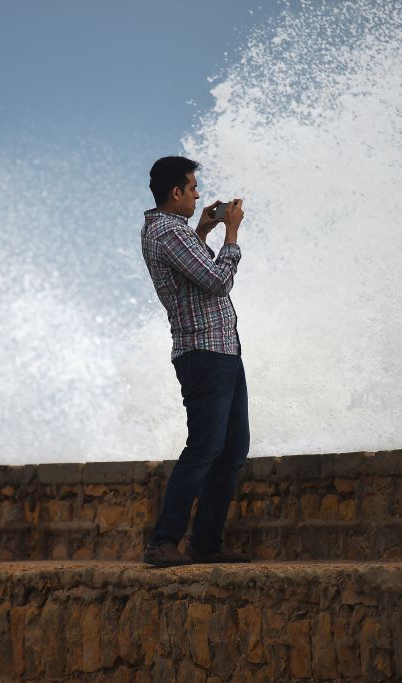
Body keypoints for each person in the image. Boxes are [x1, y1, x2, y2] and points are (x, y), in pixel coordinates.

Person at [139, 155, 251, 567]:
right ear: (176, 193)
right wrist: (232, 234)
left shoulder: (173, 231)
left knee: (231, 449)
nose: (198, 194)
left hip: (220, 351)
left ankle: (205, 542)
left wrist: (203, 228)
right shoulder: (170, 233)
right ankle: (162, 542)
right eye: (192, 187)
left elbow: (196, 272)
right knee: (204, 448)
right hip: (205, 354)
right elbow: (218, 281)